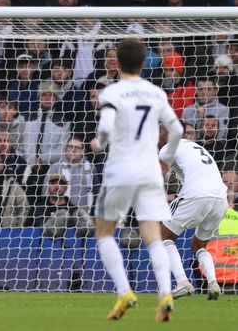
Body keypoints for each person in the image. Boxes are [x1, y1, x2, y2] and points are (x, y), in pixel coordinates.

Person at [90, 39, 183, 322]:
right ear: (144, 63)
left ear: (116, 62)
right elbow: (176, 129)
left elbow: (106, 126)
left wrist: (99, 142)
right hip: (149, 172)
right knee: (153, 236)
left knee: (105, 233)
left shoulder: (113, 92)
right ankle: (165, 293)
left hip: (120, 170)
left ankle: (124, 292)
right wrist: (166, 159)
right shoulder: (155, 92)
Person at [158, 129, 226, 300]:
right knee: (198, 246)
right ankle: (213, 283)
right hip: (220, 198)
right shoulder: (193, 146)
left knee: (162, 236)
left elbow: (159, 173)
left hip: (197, 194)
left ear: (165, 133)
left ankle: (182, 282)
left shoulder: (168, 147)